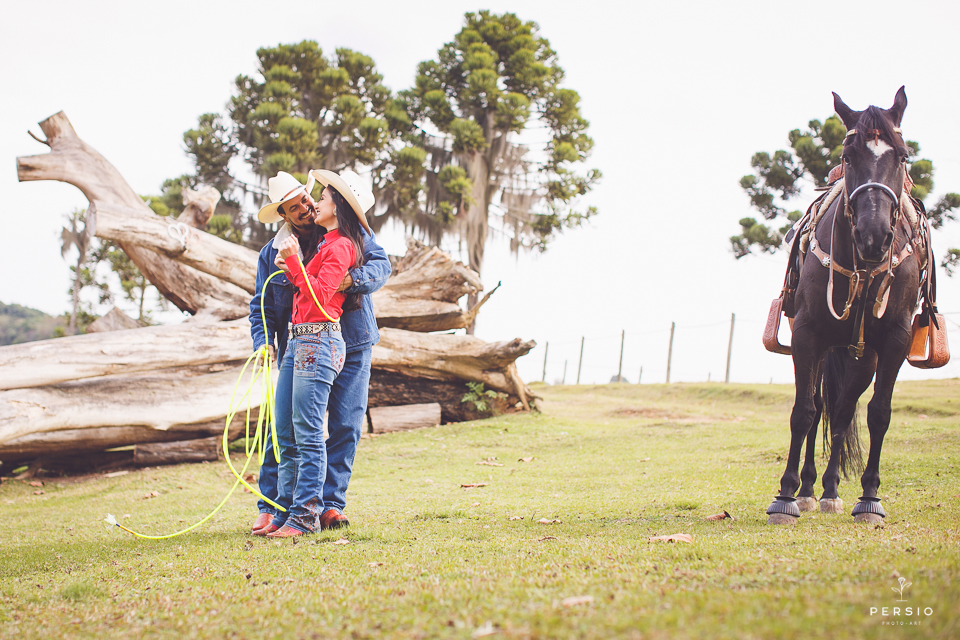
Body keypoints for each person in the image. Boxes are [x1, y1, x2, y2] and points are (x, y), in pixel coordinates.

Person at [247, 170, 390, 536]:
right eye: (296, 207)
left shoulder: (349, 237)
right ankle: (276, 505)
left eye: (308, 199)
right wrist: (264, 341)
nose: (307, 207)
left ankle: (326, 506)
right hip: (300, 341)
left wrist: (349, 280)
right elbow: (262, 304)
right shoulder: (273, 252)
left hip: (351, 338)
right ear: (284, 215)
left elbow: (379, 267)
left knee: (344, 424)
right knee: (285, 429)